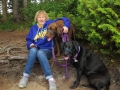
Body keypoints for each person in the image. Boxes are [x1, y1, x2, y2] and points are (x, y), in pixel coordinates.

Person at [18, 10, 70, 90]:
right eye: (39, 17)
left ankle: (50, 79)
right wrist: (30, 44)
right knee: (33, 50)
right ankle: (25, 76)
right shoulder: (33, 28)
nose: (41, 19)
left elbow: (65, 19)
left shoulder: (49, 23)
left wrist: (66, 26)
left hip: (47, 50)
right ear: (36, 18)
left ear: (46, 18)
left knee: (40, 53)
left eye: (43, 17)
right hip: (35, 49)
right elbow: (29, 40)